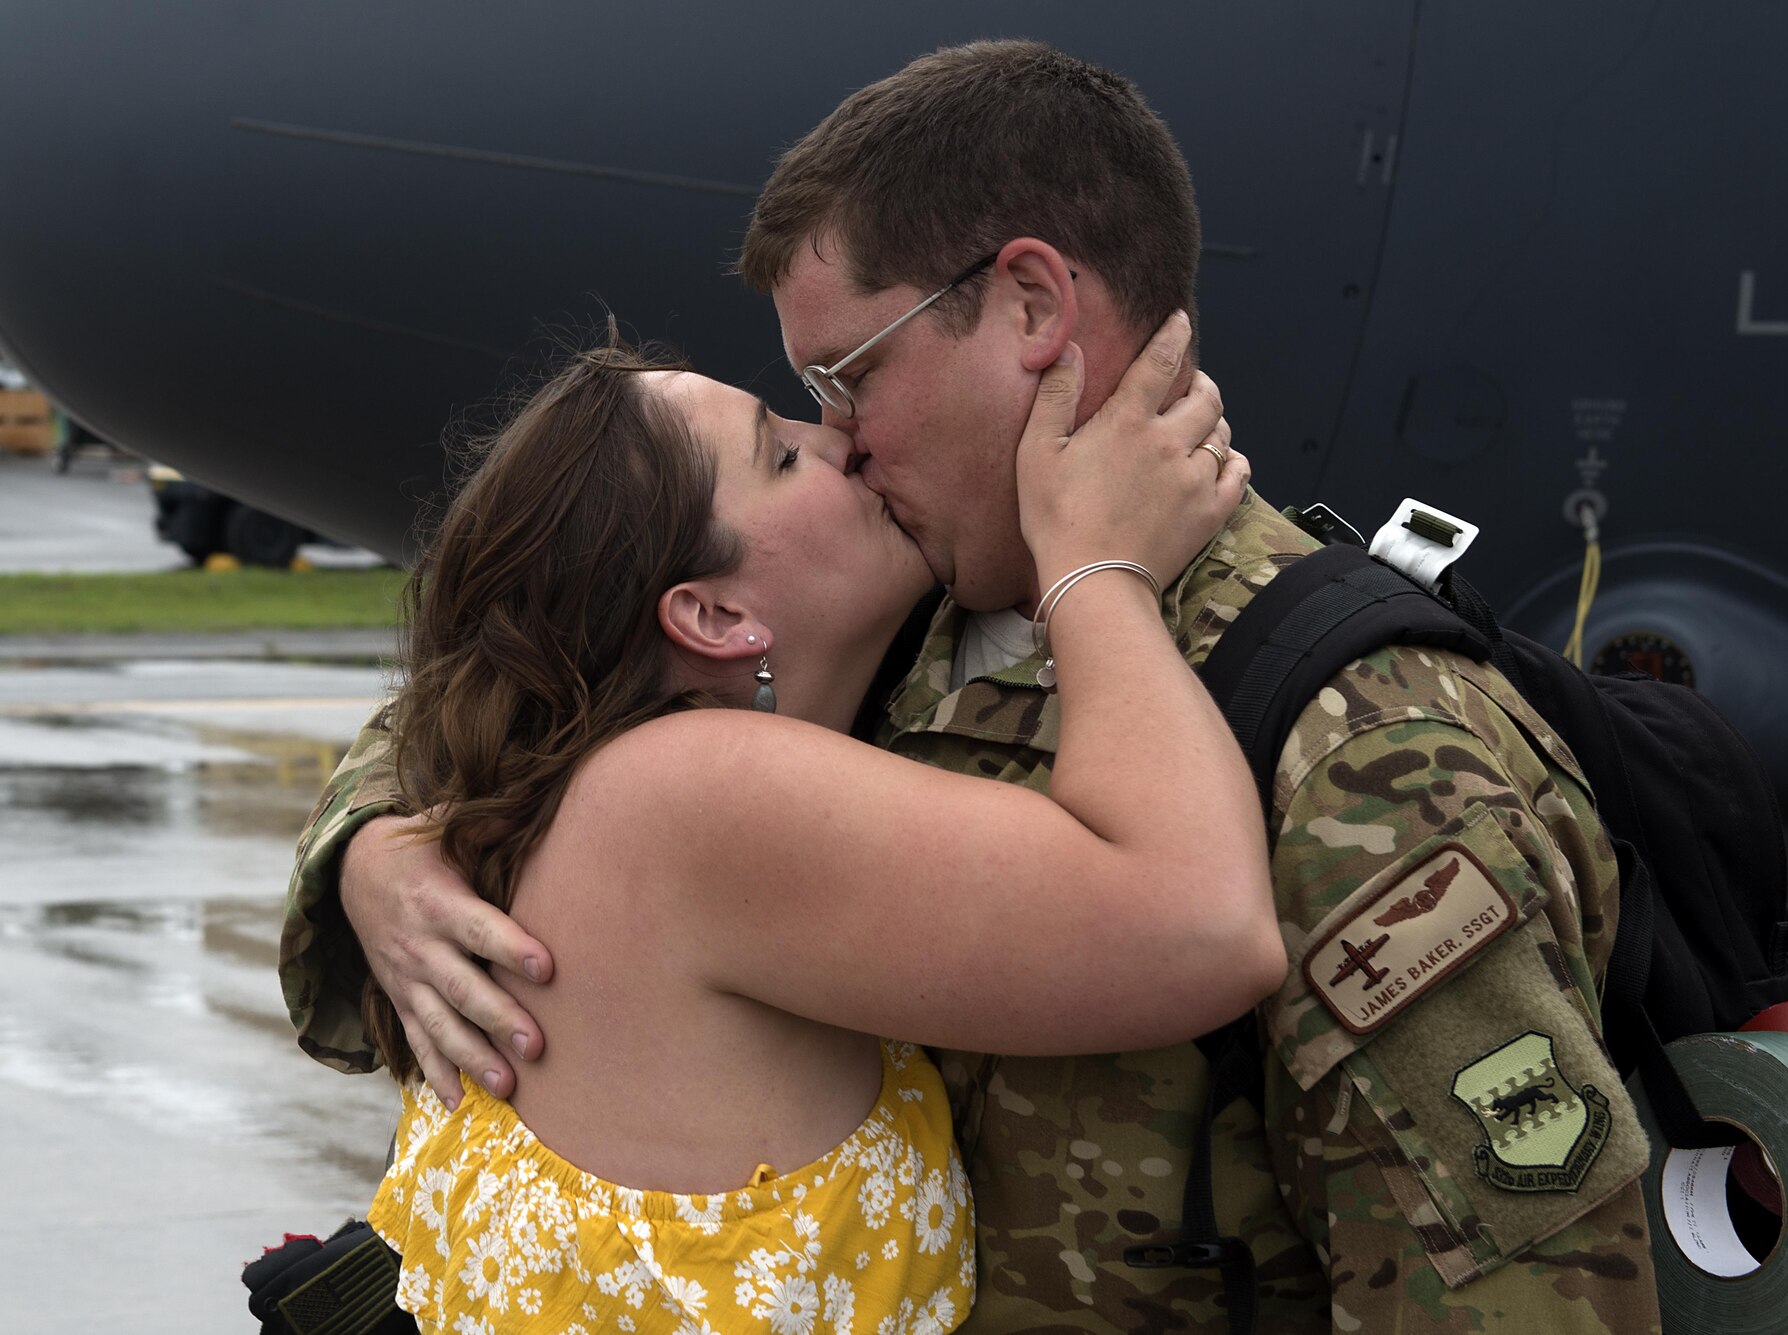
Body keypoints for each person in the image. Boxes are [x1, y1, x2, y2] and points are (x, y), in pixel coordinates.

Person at [285, 40, 1665, 1334]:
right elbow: (543, 674)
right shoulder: (891, 634)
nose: (836, 437)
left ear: (1028, 306)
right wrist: (376, 845)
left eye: (847, 375)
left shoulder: (1351, 742)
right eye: (797, 411)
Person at [351, 318, 1279, 1333]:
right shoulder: (696, 794)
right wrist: (1099, 569)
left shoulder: (583, 797)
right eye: (782, 454)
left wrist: (360, 846)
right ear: (709, 618)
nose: (840, 437)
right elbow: (1200, 928)